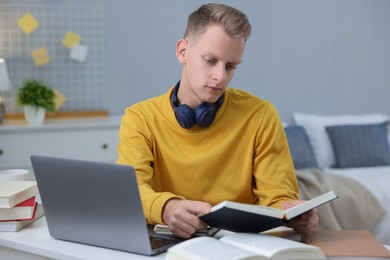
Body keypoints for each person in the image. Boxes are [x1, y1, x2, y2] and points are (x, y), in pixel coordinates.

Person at [117, 3, 319, 239]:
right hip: (170, 245)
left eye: (231, 66)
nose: (220, 77)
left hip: (241, 247)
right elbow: (129, 193)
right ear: (183, 51)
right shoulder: (140, 118)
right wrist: (166, 208)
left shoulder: (260, 115)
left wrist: (292, 211)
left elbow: (278, 197)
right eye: (210, 60)